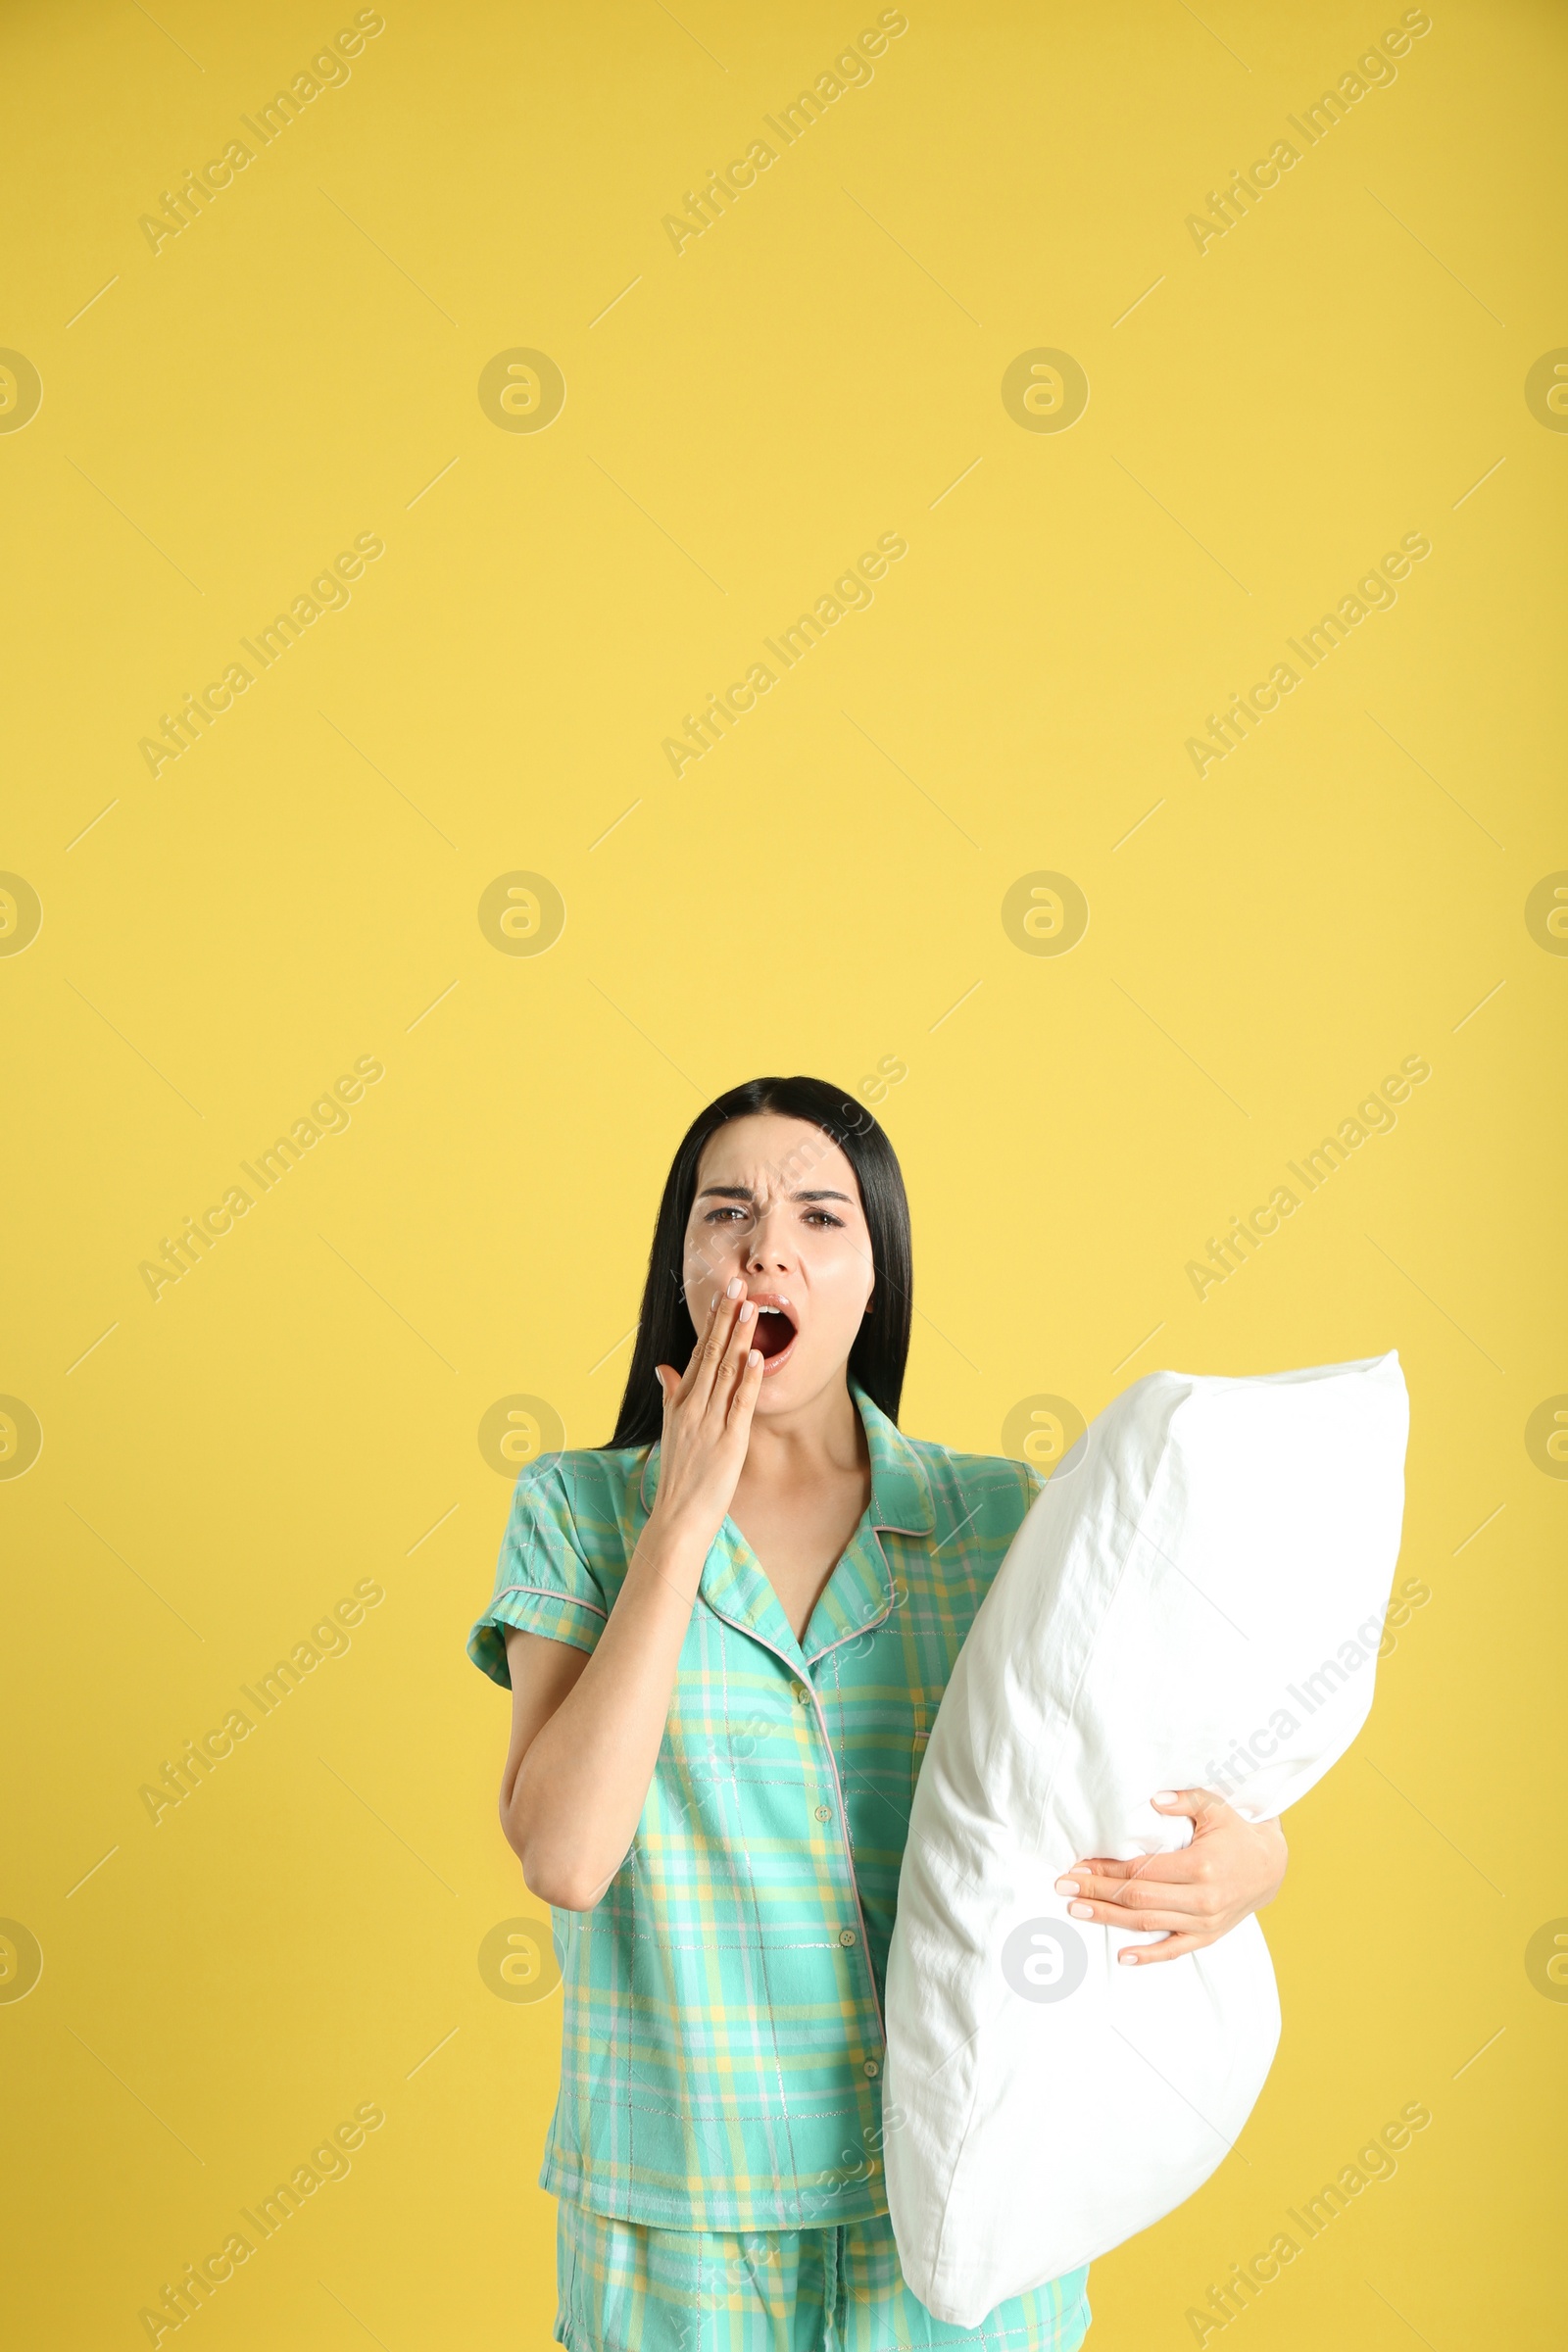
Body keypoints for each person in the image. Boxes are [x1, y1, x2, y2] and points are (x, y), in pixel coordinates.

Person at [467, 1076, 1288, 2352]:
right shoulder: (579, 1511)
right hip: (679, 2227)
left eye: (819, 1217)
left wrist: (1252, 1860)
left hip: (966, 2194)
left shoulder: (999, 1518)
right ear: (681, 1265)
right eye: (725, 1212)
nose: (766, 1247)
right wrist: (681, 1518)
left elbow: (1159, 1778)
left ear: (870, 1277)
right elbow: (567, 1857)